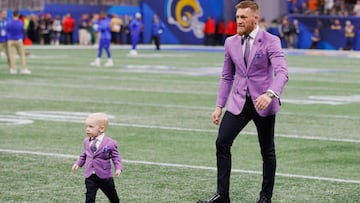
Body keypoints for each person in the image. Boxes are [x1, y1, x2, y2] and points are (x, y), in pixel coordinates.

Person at [197, 1, 288, 203]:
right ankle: (222, 195)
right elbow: (226, 76)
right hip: (238, 101)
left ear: (255, 18)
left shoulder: (271, 40)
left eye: (243, 17)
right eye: (237, 16)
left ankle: (265, 197)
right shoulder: (230, 43)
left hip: (263, 103)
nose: (238, 20)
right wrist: (219, 106)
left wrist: (270, 94)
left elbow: (282, 72)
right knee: (222, 142)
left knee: (267, 150)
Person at [71, 112, 122, 203]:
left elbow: (116, 157)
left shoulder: (110, 143)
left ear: (101, 128)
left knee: (113, 197)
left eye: (91, 127)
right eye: (86, 126)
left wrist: (118, 168)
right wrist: (78, 163)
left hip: (105, 176)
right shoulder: (86, 141)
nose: (87, 129)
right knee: (89, 198)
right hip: (90, 176)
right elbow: (85, 154)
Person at [6, 10, 31, 74]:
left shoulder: (9, 22)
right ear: (18, 15)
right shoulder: (20, 22)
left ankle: (13, 69)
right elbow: (23, 31)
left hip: (10, 40)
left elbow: (7, 31)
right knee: (22, 55)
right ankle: (23, 68)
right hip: (18, 40)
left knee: (12, 55)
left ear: (12, 15)